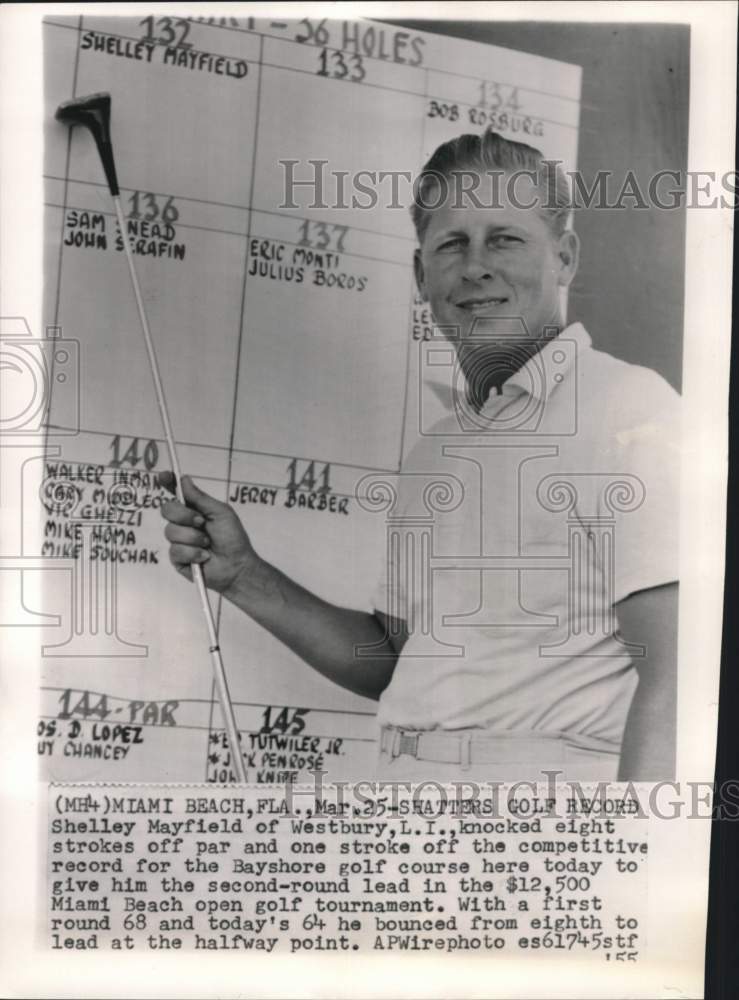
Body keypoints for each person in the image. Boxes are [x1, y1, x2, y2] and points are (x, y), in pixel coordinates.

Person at [161, 129, 679, 783]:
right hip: (407, 807)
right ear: (420, 274)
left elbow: (681, 671)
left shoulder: (628, 408)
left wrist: (642, 841)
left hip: (545, 813)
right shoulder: (436, 449)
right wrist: (242, 575)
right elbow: (393, 661)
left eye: (505, 238)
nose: (475, 266)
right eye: (451, 244)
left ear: (565, 258)